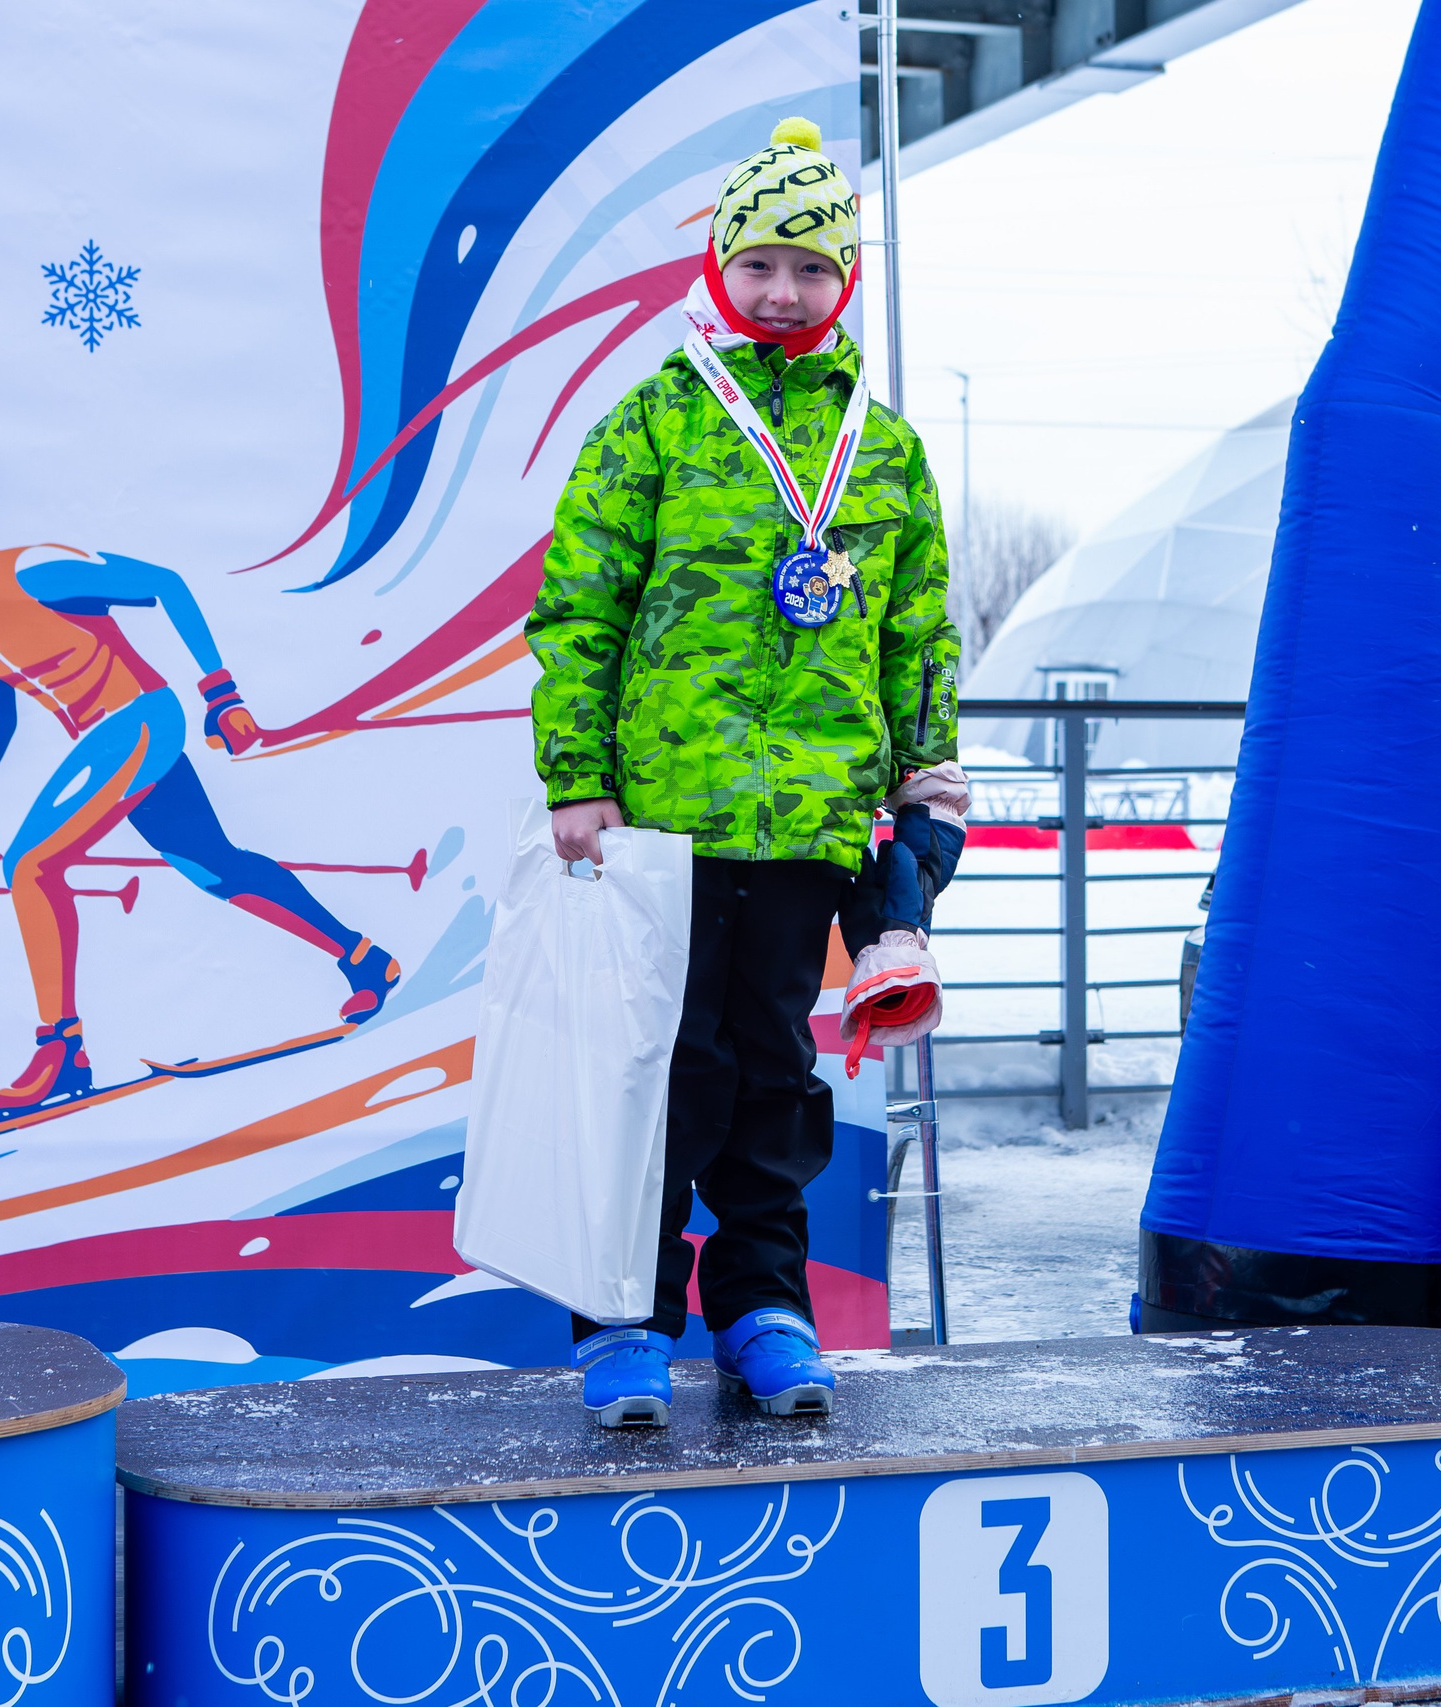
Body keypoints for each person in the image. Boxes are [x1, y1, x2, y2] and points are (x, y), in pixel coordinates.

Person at [527, 117, 960, 1427]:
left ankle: (765, 1302)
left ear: (846, 284)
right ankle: (624, 1316)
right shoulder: (654, 420)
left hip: (812, 825)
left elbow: (917, 631)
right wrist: (576, 776)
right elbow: (580, 606)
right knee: (657, 1071)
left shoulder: (884, 449)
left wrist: (928, 787)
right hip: (661, 825)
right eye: (762, 263)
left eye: (811, 269)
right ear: (721, 266)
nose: (785, 291)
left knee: (776, 1075)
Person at [0, 463, 400, 1113]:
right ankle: (360, 957)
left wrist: (222, 694)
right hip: (103, 740)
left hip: (138, 722)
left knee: (30, 865)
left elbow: (164, 584)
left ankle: (61, 1046)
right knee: (213, 865)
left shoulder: (32, 570)